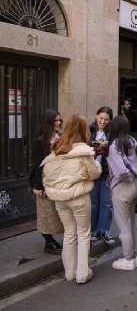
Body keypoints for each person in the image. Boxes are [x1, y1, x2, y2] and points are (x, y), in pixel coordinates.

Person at [42, 115, 101, 284]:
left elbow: (48, 174)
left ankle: (69, 272)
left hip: (60, 198)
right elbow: (94, 174)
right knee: (83, 234)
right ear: (84, 130)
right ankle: (82, 273)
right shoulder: (84, 151)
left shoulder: (57, 150)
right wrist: (98, 165)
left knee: (69, 234)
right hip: (79, 197)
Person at [106, 116, 137, 270]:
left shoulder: (115, 146)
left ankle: (128, 259)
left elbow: (120, 172)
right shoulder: (131, 141)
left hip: (122, 188)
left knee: (123, 226)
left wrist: (125, 176)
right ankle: (133, 254)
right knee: (131, 223)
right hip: (135, 185)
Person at [29, 109, 64, 255]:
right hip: (43, 180)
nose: (58, 123)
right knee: (45, 212)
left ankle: (51, 241)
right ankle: (48, 242)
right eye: (55, 120)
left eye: (59, 120)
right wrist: (37, 186)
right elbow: (37, 164)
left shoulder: (58, 136)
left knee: (55, 212)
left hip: (56, 180)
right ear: (48, 122)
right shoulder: (41, 141)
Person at [89, 107, 115, 245]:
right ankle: (93, 230)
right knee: (93, 203)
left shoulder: (112, 133)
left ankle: (104, 230)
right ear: (96, 117)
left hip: (106, 172)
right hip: (92, 172)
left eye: (106, 119)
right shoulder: (89, 131)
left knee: (106, 202)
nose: (103, 121)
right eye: (101, 118)